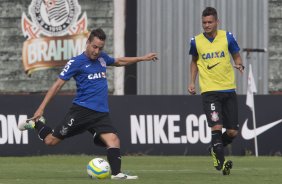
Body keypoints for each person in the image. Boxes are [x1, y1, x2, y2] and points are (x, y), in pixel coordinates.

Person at [18, 28, 158, 179]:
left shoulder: (102, 58)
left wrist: (142, 58)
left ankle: (117, 174)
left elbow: (119, 61)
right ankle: (36, 124)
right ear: (87, 43)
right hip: (81, 111)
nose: (97, 51)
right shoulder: (76, 62)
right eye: (94, 47)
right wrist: (41, 109)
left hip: (100, 113)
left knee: (114, 140)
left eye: (100, 48)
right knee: (50, 141)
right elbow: (57, 85)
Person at [188, 7, 244, 175]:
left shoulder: (227, 37)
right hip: (210, 91)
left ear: (217, 22)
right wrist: (192, 82)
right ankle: (220, 162)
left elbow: (236, 55)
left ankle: (214, 149)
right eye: (204, 22)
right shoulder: (196, 41)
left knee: (233, 132)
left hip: (228, 89)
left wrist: (239, 64)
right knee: (216, 128)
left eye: (210, 22)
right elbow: (194, 61)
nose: (206, 25)